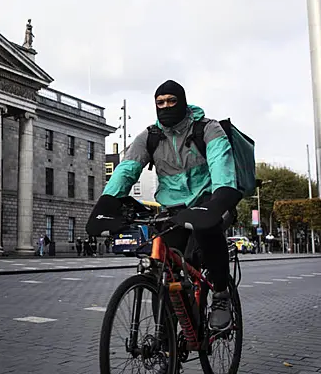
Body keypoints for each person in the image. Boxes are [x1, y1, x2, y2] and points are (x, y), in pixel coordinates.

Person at [88, 80, 242, 331]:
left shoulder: (208, 129)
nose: (166, 107)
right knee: (164, 272)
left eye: (171, 101)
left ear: (182, 101)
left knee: (206, 234)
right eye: (160, 103)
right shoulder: (150, 137)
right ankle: (165, 346)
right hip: (174, 208)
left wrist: (218, 201)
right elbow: (126, 170)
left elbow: (222, 168)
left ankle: (222, 296)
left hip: (209, 200)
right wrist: (106, 204)